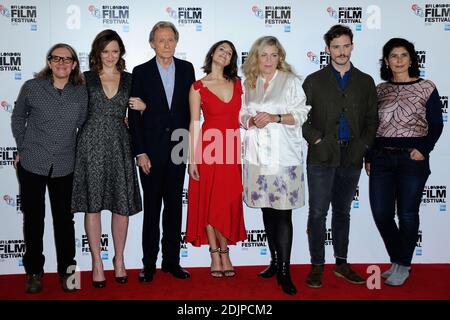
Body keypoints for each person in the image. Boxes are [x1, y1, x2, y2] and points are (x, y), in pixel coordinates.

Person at [302, 24, 378, 288]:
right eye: (336, 47)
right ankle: (317, 266)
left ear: (352, 47)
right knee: (317, 212)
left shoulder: (366, 81)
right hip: (321, 155)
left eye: (346, 46)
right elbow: (301, 118)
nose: (341, 51)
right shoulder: (313, 80)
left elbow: (372, 120)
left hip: (353, 156)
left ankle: (342, 263)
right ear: (328, 49)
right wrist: (317, 140)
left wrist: (363, 146)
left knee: (343, 212)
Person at [365, 38, 443, 286]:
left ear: (411, 59)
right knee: (381, 213)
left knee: (408, 214)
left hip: (412, 160)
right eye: (393, 56)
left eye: (403, 55)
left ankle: (402, 264)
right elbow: (372, 126)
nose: (398, 60)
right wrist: (369, 156)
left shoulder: (426, 87)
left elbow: (437, 124)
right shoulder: (380, 90)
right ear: (386, 61)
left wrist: (424, 148)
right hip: (381, 159)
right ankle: (400, 260)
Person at [11, 43, 88, 293]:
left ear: (75, 64)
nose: (62, 63)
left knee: (65, 222)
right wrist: (22, 147)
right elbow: (18, 116)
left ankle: (68, 273)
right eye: (56, 59)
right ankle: (34, 272)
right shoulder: (32, 88)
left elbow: (84, 125)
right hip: (33, 163)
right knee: (34, 221)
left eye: (67, 59)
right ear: (50, 62)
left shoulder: (80, 92)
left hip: (65, 165)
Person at [71, 29, 143, 288]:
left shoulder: (131, 79)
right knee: (93, 205)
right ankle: (97, 263)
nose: (110, 56)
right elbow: (71, 112)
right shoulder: (84, 78)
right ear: (97, 53)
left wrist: (142, 109)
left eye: (115, 51)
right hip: (90, 144)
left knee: (120, 205)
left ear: (120, 52)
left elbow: (142, 114)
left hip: (119, 144)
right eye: (105, 51)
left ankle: (120, 260)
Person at [240, 36, 311, 295]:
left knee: (282, 214)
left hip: (283, 158)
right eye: (263, 55)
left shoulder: (291, 82)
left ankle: (285, 271)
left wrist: (275, 117)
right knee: (267, 212)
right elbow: (241, 113)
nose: (268, 60)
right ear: (256, 58)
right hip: (257, 157)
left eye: (273, 55)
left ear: (280, 56)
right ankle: (274, 261)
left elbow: (302, 113)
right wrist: (249, 120)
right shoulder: (249, 83)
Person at [129, 21, 195, 282]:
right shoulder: (141, 72)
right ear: (152, 43)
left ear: (176, 43)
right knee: (153, 209)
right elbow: (134, 116)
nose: (166, 44)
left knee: (175, 209)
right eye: (161, 39)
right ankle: (149, 265)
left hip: (179, 147)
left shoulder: (187, 69)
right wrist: (140, 152)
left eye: (170, 39)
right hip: (151, 152)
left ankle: (172, 262)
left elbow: (189, 111)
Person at [186, 40, 247, 278]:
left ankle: (225, 249)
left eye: (230, 52)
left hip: (231, 150)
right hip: (208, 150)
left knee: (226, 201)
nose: (225, 54)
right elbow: (194, 123)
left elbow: (246, 116)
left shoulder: (239, 84)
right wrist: (192, 160)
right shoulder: (198, 87)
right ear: (212, 53)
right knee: (209, 203)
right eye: (221, 49)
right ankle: (217, 253)